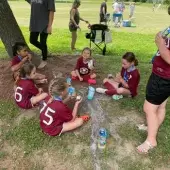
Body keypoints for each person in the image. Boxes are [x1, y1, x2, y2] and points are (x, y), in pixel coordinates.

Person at [136, 31, 170, 154]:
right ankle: (152, 128)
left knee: (149, 109)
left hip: (163, 78)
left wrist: (161, 44)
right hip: (161, 75)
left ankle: (151, 140)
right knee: (160, 106)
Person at [25, 0, 56, 69]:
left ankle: (44, 59)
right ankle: (45, 51)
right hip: (34, 23)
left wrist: (50, 26)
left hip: (45, 23)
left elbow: (51, 11)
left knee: (43, 42)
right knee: (32, 40)